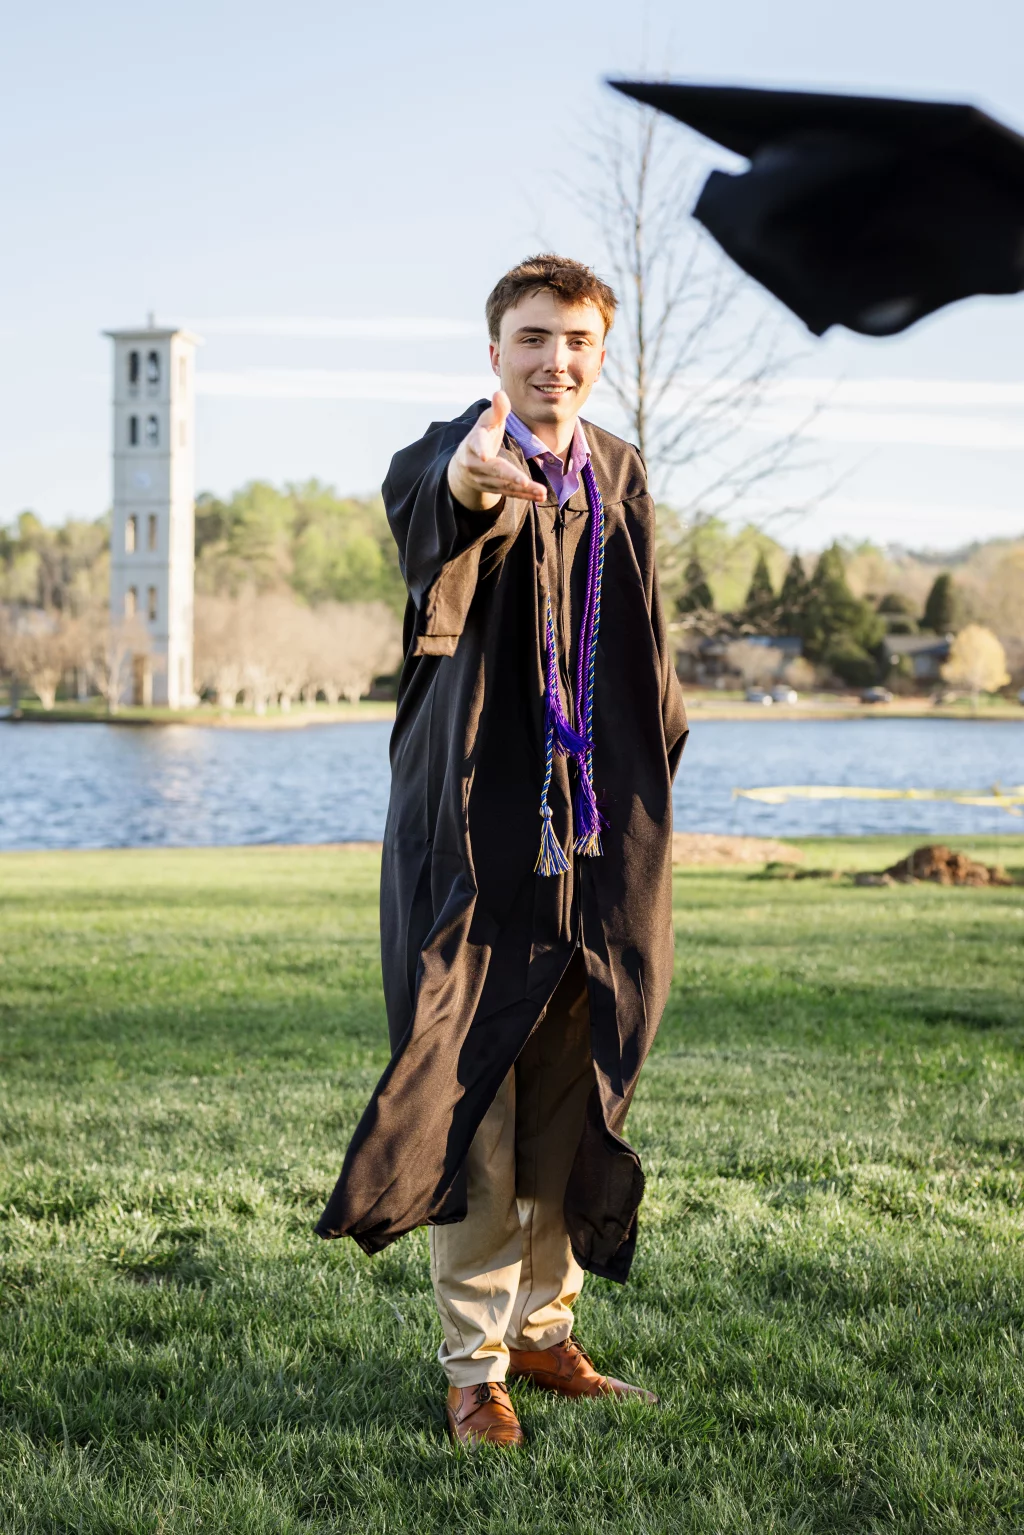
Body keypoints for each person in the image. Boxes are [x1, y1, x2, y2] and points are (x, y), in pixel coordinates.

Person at [317, 254, 688, 1447]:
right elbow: (441, 494)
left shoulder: (619, 472)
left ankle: (546, 1327)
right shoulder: (449, 450)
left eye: (576, 340)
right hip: (478, 836)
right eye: (532, 339)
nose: (555, 361)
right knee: (473, 1087)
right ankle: (472, 1363)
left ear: (597, 348)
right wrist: (477, 480)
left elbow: (643, 645)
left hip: (586, 840)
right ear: (495, 352)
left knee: (571, 1089)